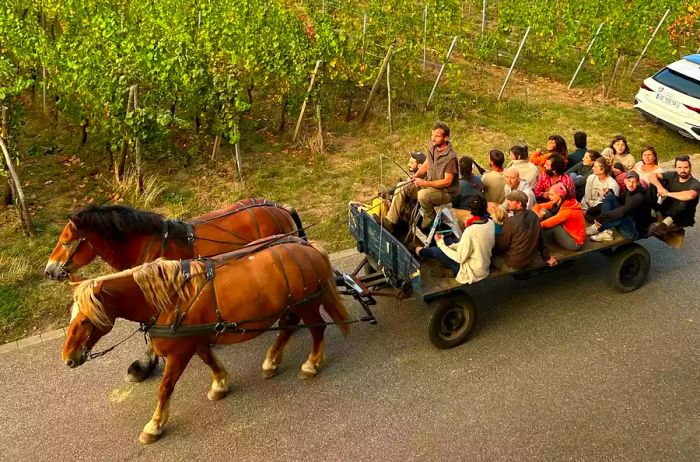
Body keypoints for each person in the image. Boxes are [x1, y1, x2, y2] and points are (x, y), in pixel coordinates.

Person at [384, 122, 459, 232]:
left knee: (423, 195)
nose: (433, 138)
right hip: (430, 185)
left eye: (437, 136)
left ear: (446, 137)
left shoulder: (450, 157)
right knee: (402, 186)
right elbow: (427, 164)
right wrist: (415, 176)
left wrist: (425, 183)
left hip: (445, 192)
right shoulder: (432, 147)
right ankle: (390, 222)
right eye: (432, 135)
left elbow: (447, 181)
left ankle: (429, 215)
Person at [415, 195, 494, 283]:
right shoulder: (490, 223)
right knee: (449, 241)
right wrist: (450, 246)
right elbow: (473, 244)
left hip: (471, 271)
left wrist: (440, 243)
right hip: (483, 266)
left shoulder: (471, 231)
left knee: (437, 251)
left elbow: (460, 258)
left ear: (471, 211)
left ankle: (419, 252)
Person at [492, 190, 557, 271]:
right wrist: (547, 257)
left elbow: (502, 245)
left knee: (492, 258)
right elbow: (540, 240)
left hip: (515, 264)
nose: (508, 203)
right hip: (531, 259)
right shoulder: (533, 215)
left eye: (511, 201)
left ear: (519, 204)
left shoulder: (511, 221)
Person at [589, 171, 652, 241]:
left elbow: (622, 212)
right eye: (629, 181)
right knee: (609, 196)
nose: (631, 184)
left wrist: (601, 217)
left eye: (634, 182)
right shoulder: (628, 191)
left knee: (621, 214)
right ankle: (606, 231)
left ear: (638, 183)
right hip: (629, 221)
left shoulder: (639, 197)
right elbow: (619, 201)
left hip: (634, 230)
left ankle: (601, 228)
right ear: (625, 181)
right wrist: (609, 192)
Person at [648, 155, 700, 236]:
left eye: (686, 167)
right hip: (668, 208)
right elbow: (652, 175)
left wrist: (667, 193)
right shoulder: (673, 175)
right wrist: (660, 188)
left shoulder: (695, 183)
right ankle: (652, 214)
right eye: (680, 167)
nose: (683, 170)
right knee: (654, 184)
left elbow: (691, 195)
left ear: (690, 168)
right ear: (676, 168)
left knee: (684, 198)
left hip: (680, 216)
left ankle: (665, 224)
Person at [533, 183, 586, 250]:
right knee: (543, 211)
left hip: (575, 242)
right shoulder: (559, 202)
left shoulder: (568, 209)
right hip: (566, 230)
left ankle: (540, 245)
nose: (549, 197)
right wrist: (538, 214)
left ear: (560, 196)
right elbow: (537, 206)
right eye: (549, 194)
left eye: (552, 195)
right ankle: (542, 242)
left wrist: (531, 228)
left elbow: (548, 223)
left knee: (551, 225)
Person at [581, 158, 620, 224]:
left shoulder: (612, 185)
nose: (592, 168)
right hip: (588, 206)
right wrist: (584, 208)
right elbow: (587, 195)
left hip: (600, 209)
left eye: (595, 167)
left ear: (602, 170)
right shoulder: (591, 178)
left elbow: (609, 205)